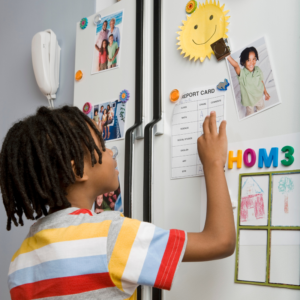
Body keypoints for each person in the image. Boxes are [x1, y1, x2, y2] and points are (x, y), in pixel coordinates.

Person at [0, 106, 235, 300]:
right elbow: (220, 241)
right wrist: (213, 163)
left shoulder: (19, 262)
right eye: (101, 147)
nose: (112, 152)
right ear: (78, 171)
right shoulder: (109, 237)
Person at [227, 47, 270, 117]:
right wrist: (228, 56)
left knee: (262, 112)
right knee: (250, 115)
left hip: (259, 98)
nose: (252, 62)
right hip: (249, 101)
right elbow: (236, 65)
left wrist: (265, 92)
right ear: (243, 62)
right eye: (248, 60)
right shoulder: (242, 74)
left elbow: (261, 81)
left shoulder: (258, 69)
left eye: (254, 59)